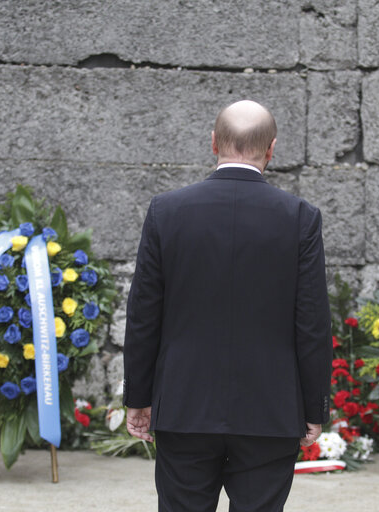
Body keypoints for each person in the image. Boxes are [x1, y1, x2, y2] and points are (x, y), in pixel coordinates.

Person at [123, 100, 331, 512]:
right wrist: (313, 407)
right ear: (271, 149)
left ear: (213, 142)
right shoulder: (300, 217)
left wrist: (139, 397)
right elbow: (311, 322)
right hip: (269, 410)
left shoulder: (166, 212)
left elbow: (144, 314)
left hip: (184, 406)